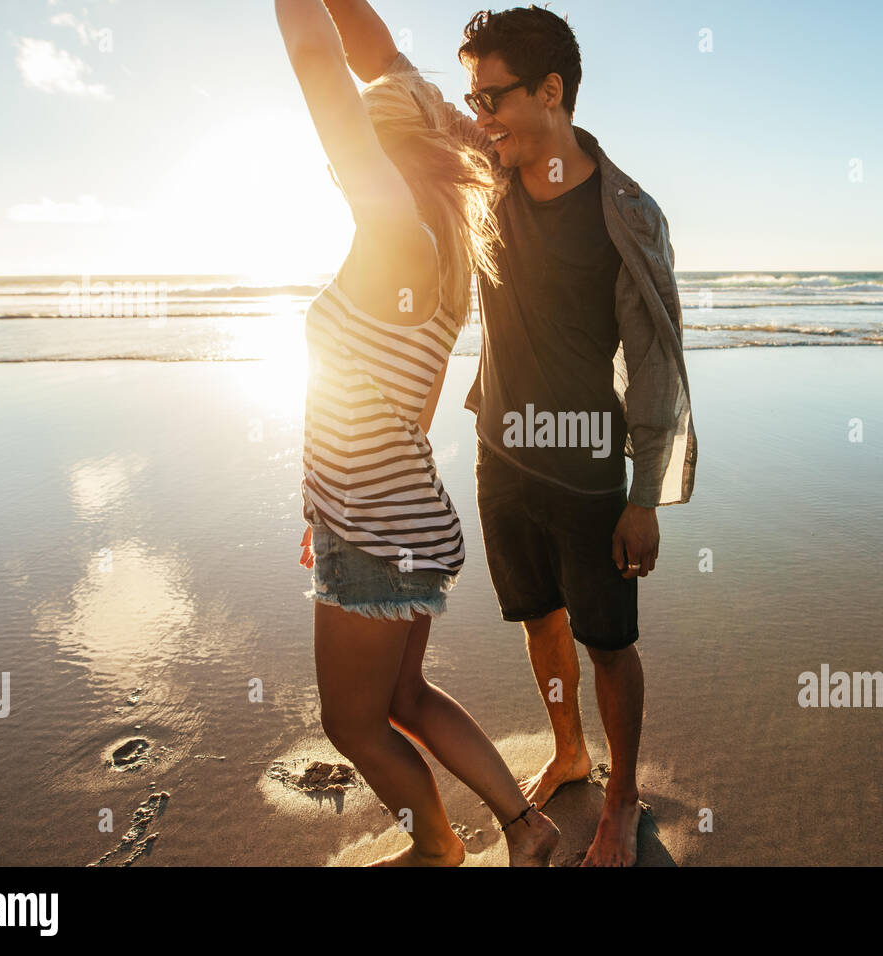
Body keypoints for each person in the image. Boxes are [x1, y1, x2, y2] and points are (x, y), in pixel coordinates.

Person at [324, 1, 698, 867]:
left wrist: (644, 498)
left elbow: (650, 365)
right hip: (500, 452)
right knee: (537, 618)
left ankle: (622, 797)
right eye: (474, 99)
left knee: (610, 642)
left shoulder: (626, 212)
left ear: (552, 92)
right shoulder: (485, 166)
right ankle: (568, 748)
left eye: (493, 99)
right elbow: (382, 64)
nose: (478, 114)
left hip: (588, 467)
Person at [276, 0, 559, 867]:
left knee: (351, 720)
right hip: (397, 511)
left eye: (357, 150)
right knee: (405, 696)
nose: (341, 165)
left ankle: (438, 847)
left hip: (376, 524)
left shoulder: (394, 229)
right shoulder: (444, 241)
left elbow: (325, 71)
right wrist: (325, 506)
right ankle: (525, 827)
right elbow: (378, 55)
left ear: (384, 156)